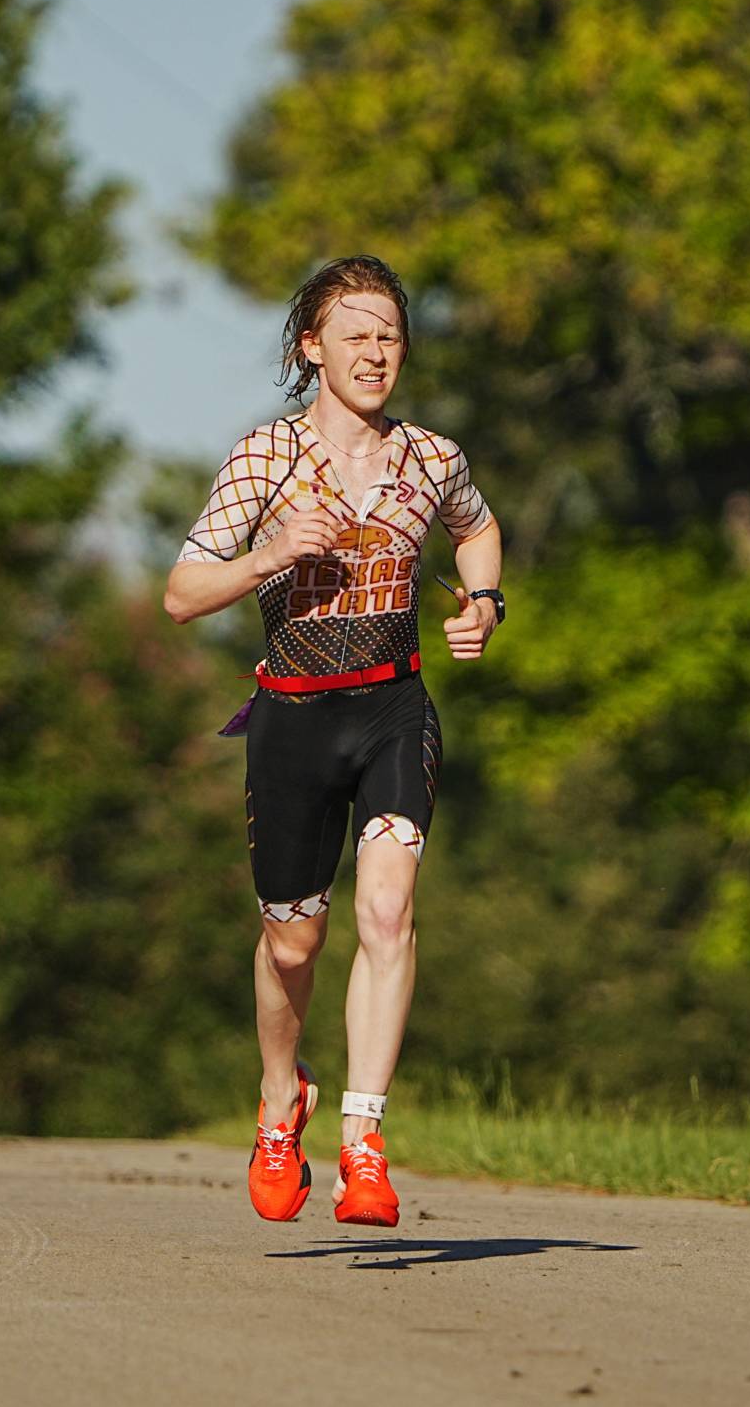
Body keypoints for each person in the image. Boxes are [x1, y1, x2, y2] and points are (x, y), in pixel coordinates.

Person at [163, 255, 504, 1227]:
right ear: (311, 346)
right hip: (293, 716)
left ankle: (364, 1140)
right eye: (355, 334)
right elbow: (181, 595)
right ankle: (282, 1098)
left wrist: (485, 603)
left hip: (395, 709)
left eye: (390, 335)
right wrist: (271, 553)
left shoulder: (433, 459)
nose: (376, 352)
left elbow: (477, 530)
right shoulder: (262, 459)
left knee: (389, 913)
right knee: (294, 938)